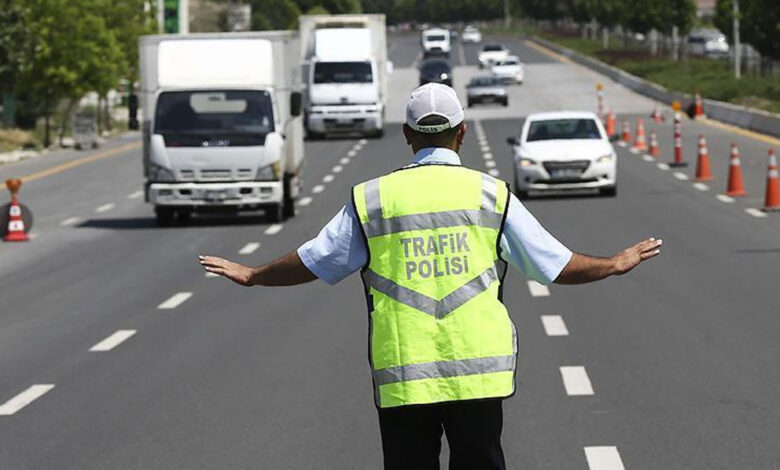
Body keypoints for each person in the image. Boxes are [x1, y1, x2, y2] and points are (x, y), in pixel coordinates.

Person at [199, 83, 662, 470]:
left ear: (407, 135)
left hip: (405, 375)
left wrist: (255, 274)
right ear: (462, 133)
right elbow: (554, 265)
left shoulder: (373, 199)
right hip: (479, 375)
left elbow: (316, 260)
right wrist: (613, 264)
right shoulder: (490, 195)